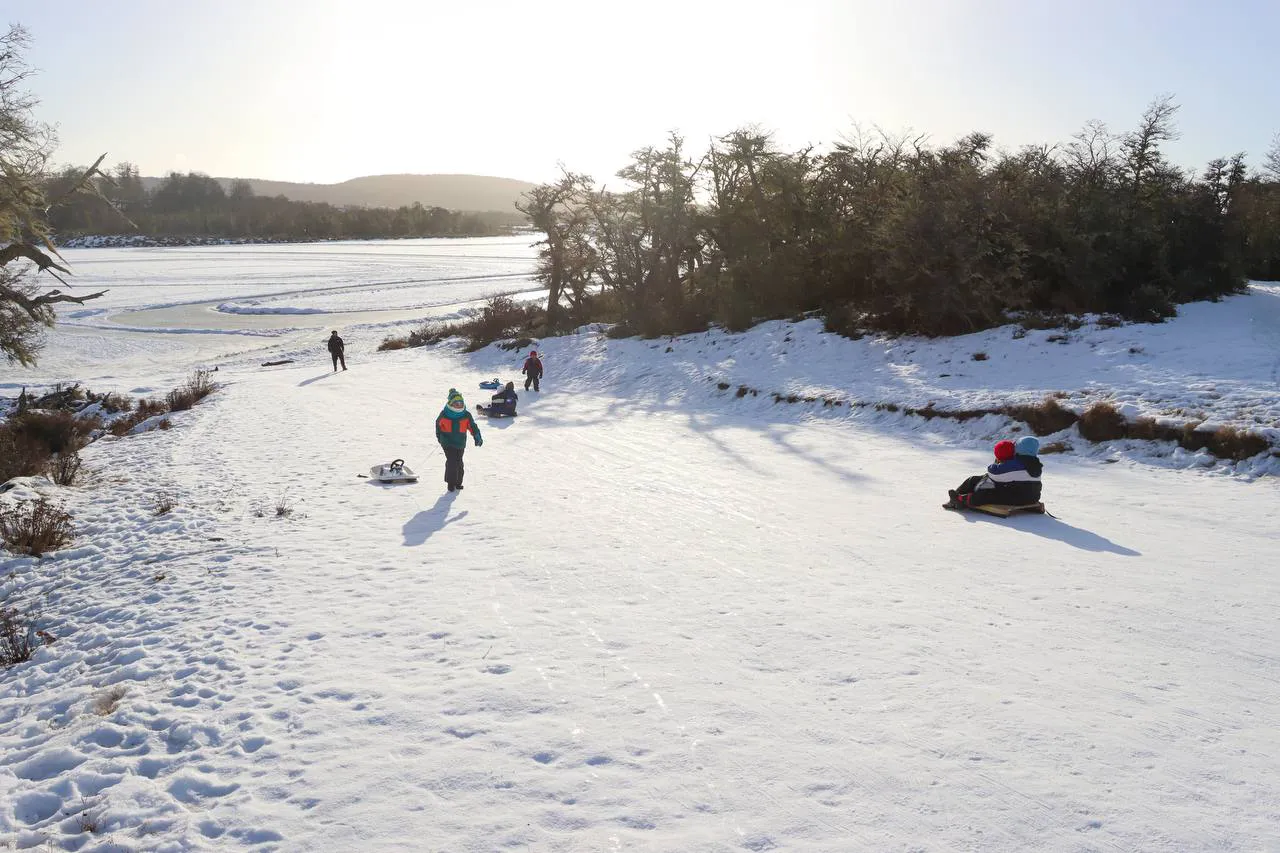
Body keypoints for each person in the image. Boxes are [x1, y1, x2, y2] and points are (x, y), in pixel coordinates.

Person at [947, 437, 1043, 508]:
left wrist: (995, 464)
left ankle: (962, 499)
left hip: (1016, 498)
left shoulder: (1016, 463)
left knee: (987, 495)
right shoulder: (1036, 463)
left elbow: (994, 474)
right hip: (1033, 497)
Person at [436, 389, 482, 492]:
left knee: (459, 463)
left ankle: (458, 482)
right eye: (457, 403)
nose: (459, 405)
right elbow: (438, 426)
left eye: (461, 403)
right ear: (451, 403)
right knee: (452, 462)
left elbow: (473, 427)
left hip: (460, 443)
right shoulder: (444, 414)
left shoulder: (465, 415)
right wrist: (440, 438)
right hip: (447, 442)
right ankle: (450, 483)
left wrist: (477, 437)